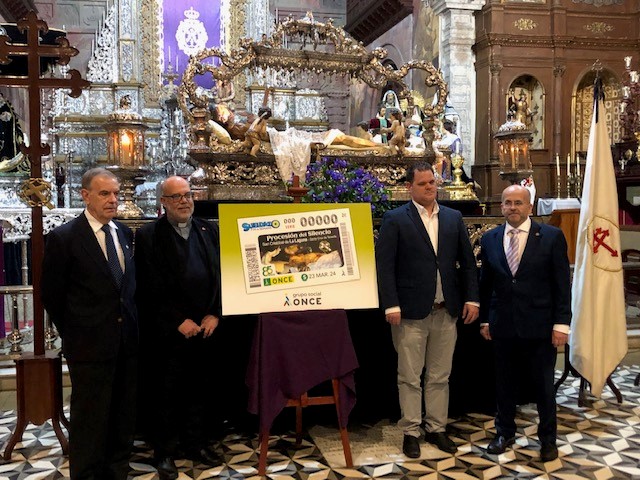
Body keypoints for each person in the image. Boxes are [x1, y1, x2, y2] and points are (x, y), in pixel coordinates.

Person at [375, 162, 479, 458]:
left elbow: (467, 263)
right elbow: (385, 267)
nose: (430, 187)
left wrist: (473, 299)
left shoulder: (453, 217)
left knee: (440, 375)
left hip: (447, 310)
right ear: (410, 187)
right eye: (423, 184)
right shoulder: (396, 219)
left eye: (432, 182)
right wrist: (391, 304)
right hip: (410, 312)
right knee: (409, 375)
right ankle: (411, 431)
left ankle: (437, 428)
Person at [42, 167, 138, 479]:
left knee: (122, 413)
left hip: (126, 340)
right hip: (89, 344)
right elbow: (52, 295)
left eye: (116, 193)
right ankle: (87, 472)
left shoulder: (122, 232)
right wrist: (77, 331)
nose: (113, 200)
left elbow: (126, 288)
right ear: (85, 196)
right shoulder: (65, 238)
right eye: (105, 194)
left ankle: (117, 467)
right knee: (90, 416)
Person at [135, 176, 223, 480]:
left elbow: (222, 276)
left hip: (205, 329)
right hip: (168, 332)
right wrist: (176, 321)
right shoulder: (148, 236)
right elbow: (146, 287)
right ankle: (165, 452)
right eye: (176, 197)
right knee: (166, 394)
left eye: (187, 195)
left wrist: (216, 313)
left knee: (200, 389)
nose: (184, 201)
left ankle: (195, 444)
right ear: (164, 202)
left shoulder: (208, 230)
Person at [479, 184, 570, 462]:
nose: (513, 208)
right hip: (503, 325)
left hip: (540, 326)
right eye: (508, 203)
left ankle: (548, 440)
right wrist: (484, 320)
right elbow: (487, 285)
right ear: (502, 207)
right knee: (505, 384)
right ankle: (504, 433)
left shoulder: (552, 237)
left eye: (519, 203)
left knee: (543, 386)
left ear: (530, 207)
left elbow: (561, 284)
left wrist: (561, 324)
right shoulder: (491, 238)